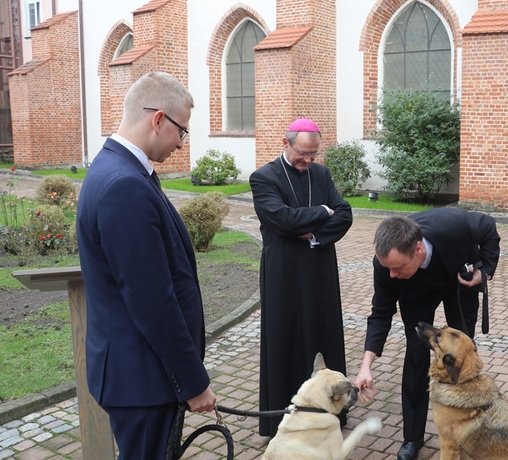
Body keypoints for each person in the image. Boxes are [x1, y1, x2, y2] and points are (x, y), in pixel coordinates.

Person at [76, 71, 216, 458]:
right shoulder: (124, 185)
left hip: (139, 374)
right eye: (181, 132)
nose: (181, 144)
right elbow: (152, 301)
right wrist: (192, 382)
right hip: (142, 378)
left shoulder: (119, 170)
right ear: (158, 120)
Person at [354, 207, 501, 460]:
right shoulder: (387, 267)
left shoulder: (453, 224)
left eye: (397, 268)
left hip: (459, 280)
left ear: (418, 250)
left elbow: (489, 227)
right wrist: (366, 365)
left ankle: (469, 428)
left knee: (461, 354)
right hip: (416, 292)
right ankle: (413, 437)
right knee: (416, 353)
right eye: (387, 268)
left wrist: (483, 271)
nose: (391, 274)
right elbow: (380, 313)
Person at [250, 118, 353, 437]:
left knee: (323, 337)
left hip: (320, 269)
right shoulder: (263, 178)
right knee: (287, 338)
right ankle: (283, 416)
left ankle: (330, 410)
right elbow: (282, 219)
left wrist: (314, 235)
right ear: (286, 143)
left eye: (313, 154)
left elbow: (346, 214)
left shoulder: (321, 173)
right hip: (285, 275)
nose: (308, 160)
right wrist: (323, 212)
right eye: (303, 153)